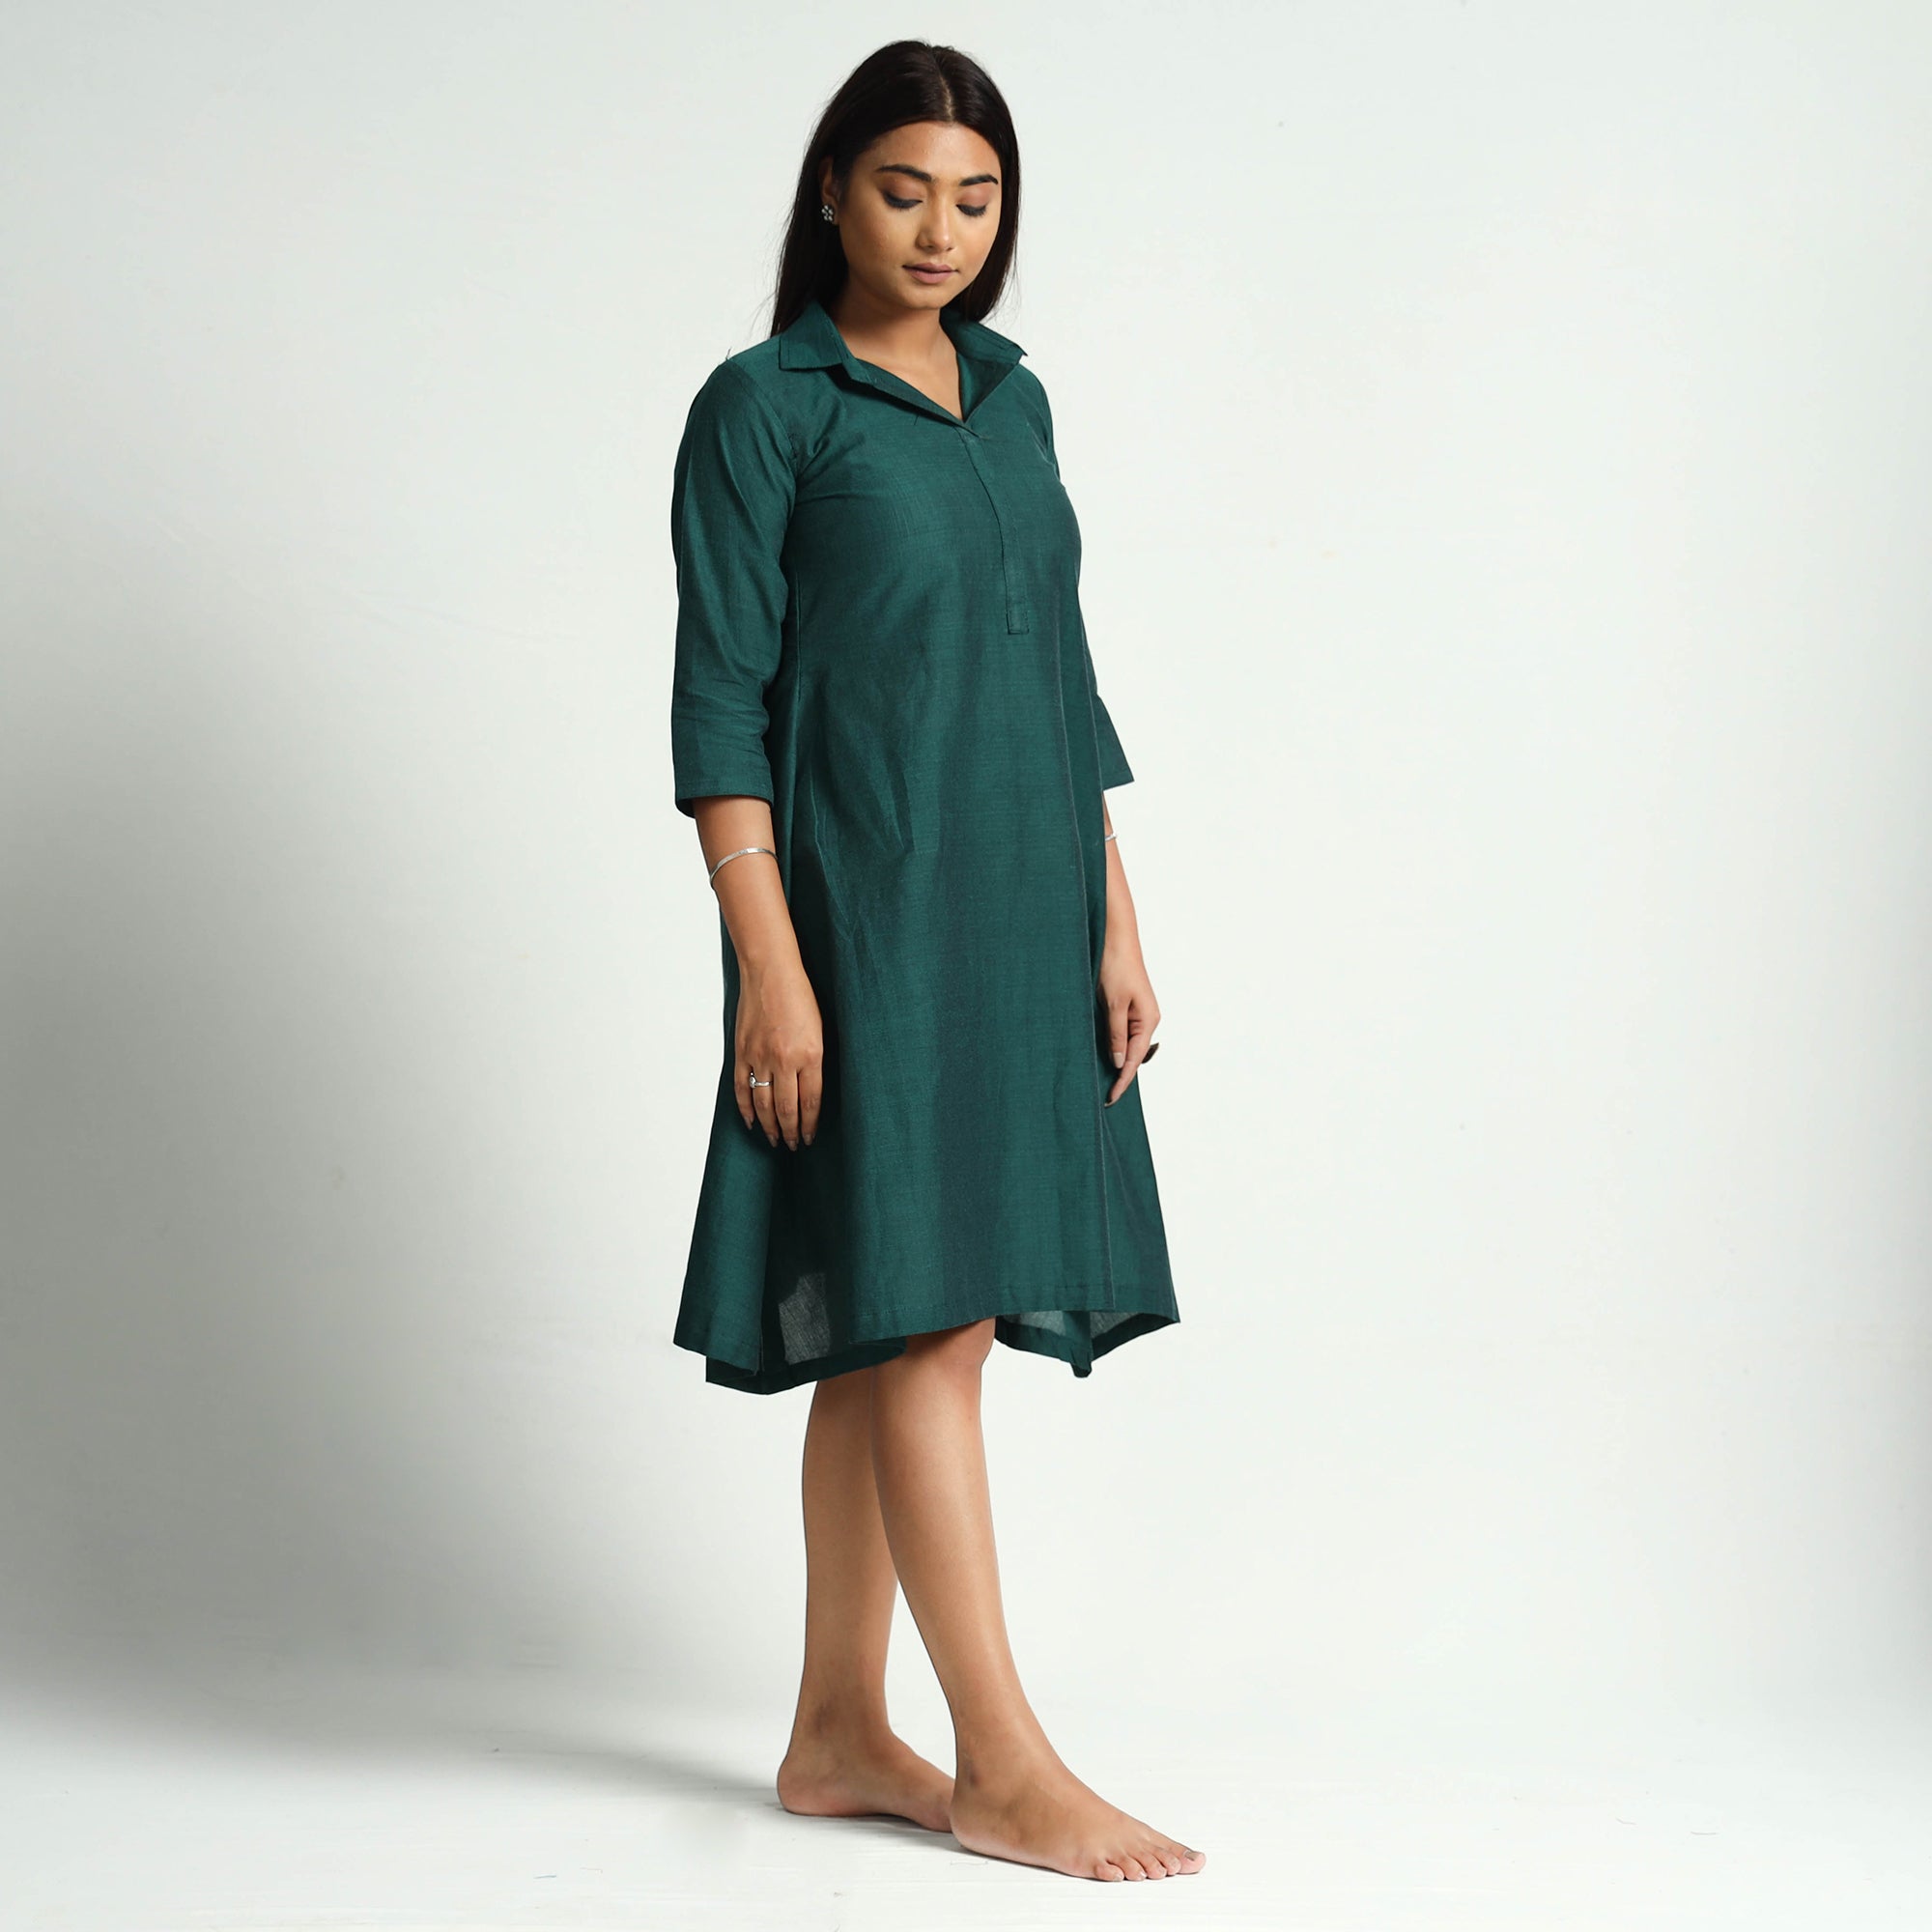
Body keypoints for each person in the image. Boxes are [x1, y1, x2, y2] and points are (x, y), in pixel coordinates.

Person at [667, 40, 1203, 1884]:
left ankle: (836, 1732)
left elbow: (1059, 674)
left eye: (977, 200)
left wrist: (1114, 914)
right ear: (833, 189)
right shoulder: (767, 407)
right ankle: (1003, 1762)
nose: (942, 231)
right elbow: (720, 705)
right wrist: (770, 964)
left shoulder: (1014, 402)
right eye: (905, 190)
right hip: (866, 913)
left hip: (1026, 900)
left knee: (885, 1316)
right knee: (930, 1306)